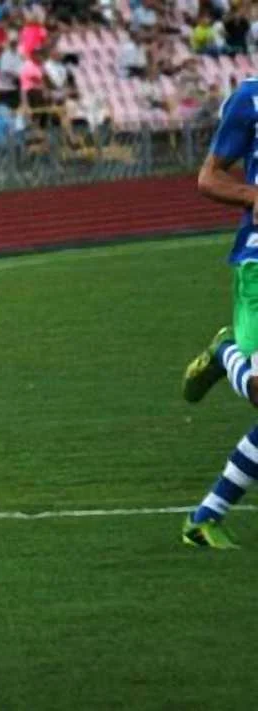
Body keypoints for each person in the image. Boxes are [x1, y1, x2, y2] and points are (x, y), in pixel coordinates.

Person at [180, 77, 258, 549]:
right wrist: (252, 196)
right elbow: (209, 176)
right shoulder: (251, 98)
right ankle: (226, 349)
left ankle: (204, 518)